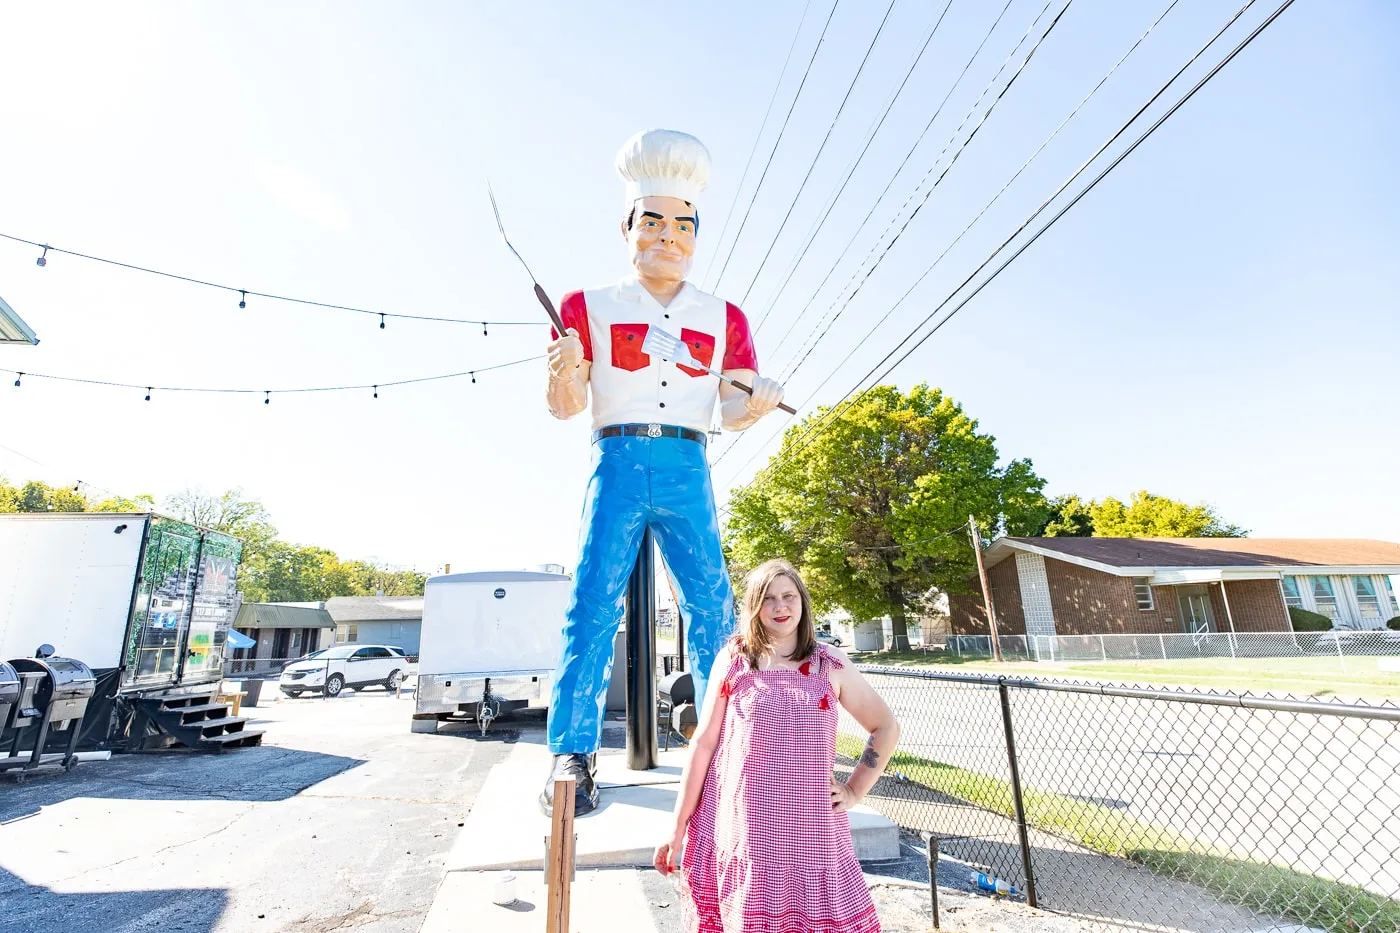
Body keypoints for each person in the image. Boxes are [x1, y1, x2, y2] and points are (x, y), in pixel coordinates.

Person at [541, 129, 788, 816]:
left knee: (712, 606)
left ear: (697, 233)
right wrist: (561, 374)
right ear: (626, 227)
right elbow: (566, 405)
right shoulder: (583, 307)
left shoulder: (724, 316)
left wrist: (756, 403)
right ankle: (572, 750)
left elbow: (732, 405)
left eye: (684, 224)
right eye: (653, 221)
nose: (669, 237)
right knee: (592, 601)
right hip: (616, 457)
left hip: (687, 459)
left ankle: (731, 746)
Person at [656, 559, 901, 932]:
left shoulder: (829, 663)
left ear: (802, 601)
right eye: (768, 599)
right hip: (739, 827)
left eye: (788, 596)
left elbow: (885, 727)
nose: (780, 607)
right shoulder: (735, 659)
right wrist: (678, 826)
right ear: (754, 606)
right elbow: (703, 744)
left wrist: (853, 790)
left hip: (808, 833)